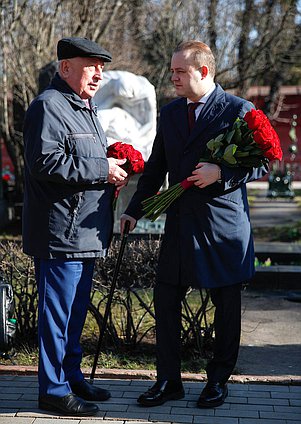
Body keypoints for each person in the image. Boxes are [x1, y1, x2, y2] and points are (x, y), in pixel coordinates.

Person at [120, 40, 269, 409]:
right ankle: (168, 381)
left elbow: (264, 163)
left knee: (226, 306)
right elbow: (157, 166)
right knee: (165, 298)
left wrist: (223, 171)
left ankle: (217, 381)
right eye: (172, 71)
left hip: (222, 230)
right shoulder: (170, 114)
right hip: (180, 226)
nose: (173, 77)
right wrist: (133, 211)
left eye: (180, 71)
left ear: (204, 72)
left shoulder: (238, 109)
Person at [22, 37, 128, 416]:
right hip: (59, 235)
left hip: (84, 232)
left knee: (75, 313)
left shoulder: (84, 106)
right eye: (91, 64)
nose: (99, 73)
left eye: (102, 66)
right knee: (57, 316)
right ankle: (52, 389)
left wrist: (112, 162)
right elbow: (44, 163)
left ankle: (71, 376)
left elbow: (78, 158)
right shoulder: (48, 106)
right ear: (65, 67)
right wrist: (103, 168)